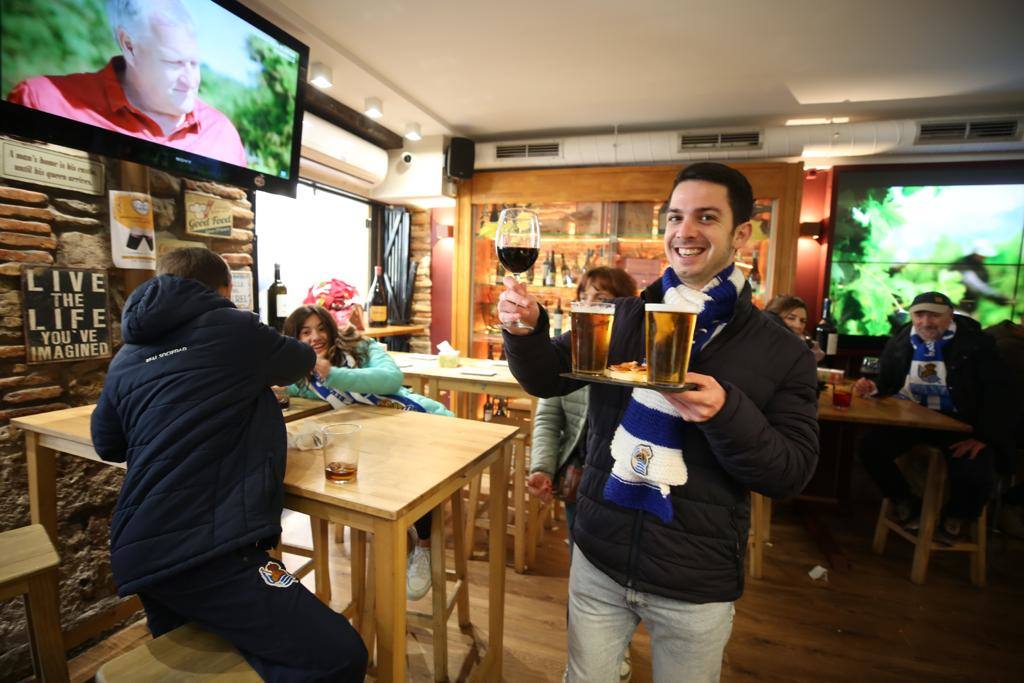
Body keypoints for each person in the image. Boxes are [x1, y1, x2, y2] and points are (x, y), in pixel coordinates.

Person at [500, 162, 819, 682]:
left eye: (706, 217)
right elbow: (547, 378)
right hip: (598, 554)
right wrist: (527, 329)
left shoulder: (782, 350)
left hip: (695, 574)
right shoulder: (624, 317)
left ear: (741, 234)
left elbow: (790, 474)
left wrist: (726, 411)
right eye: (675, 217)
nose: (684, 231)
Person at [91, 248, 366, 682]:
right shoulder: (233, 327)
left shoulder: (127, 354)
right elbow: (300, 360)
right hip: (207, 548)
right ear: (223, 290)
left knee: (221, 659)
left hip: (139, 548)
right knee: (340, 655)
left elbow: (107, 443)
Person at [282, 304, 452, 601]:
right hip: (373, 437)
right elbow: (292, 391)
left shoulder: (361, 347)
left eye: (321, 328)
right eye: (305, 332)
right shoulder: (303, 377)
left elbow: (390, 379)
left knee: (414, 469)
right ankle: (397, 529)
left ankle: (424, 546)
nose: (316, 337)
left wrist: (333, 374)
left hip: (418, 420)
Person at [527, 267, 638, 682]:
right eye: (585, 295)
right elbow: (547, 414)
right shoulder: (571, 350)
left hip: (626, 475)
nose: (591, 304)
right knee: (583, 566)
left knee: (621, 569)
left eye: (604, 297)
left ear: (626, 308)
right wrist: (541, 466)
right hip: (580, 477)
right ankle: (588, 660)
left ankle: (618, 647)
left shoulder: (636, 358)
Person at [853, 291, 1014, 544]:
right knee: (870, 448)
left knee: (978, 469)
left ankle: (955, 518)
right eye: (919, 314)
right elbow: (888, 379)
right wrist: (873, 388)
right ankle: (905, 502)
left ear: (950, 316)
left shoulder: (977, 344)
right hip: (914, 419)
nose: (926, 322)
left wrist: (984, 437)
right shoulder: (903, 337)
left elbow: (1000, 393)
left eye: (934, 315)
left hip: (960, 426)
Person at [8, 0, 247, 167]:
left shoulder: (222, 132)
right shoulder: (42, 100)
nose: (191, 81)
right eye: (174, 62)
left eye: (195, 64)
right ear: (129, 46)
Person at [764, 294, 825, 363]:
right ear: (774, 319)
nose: (798, 325)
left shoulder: (811, 348)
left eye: (803, 321)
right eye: (791, 318)